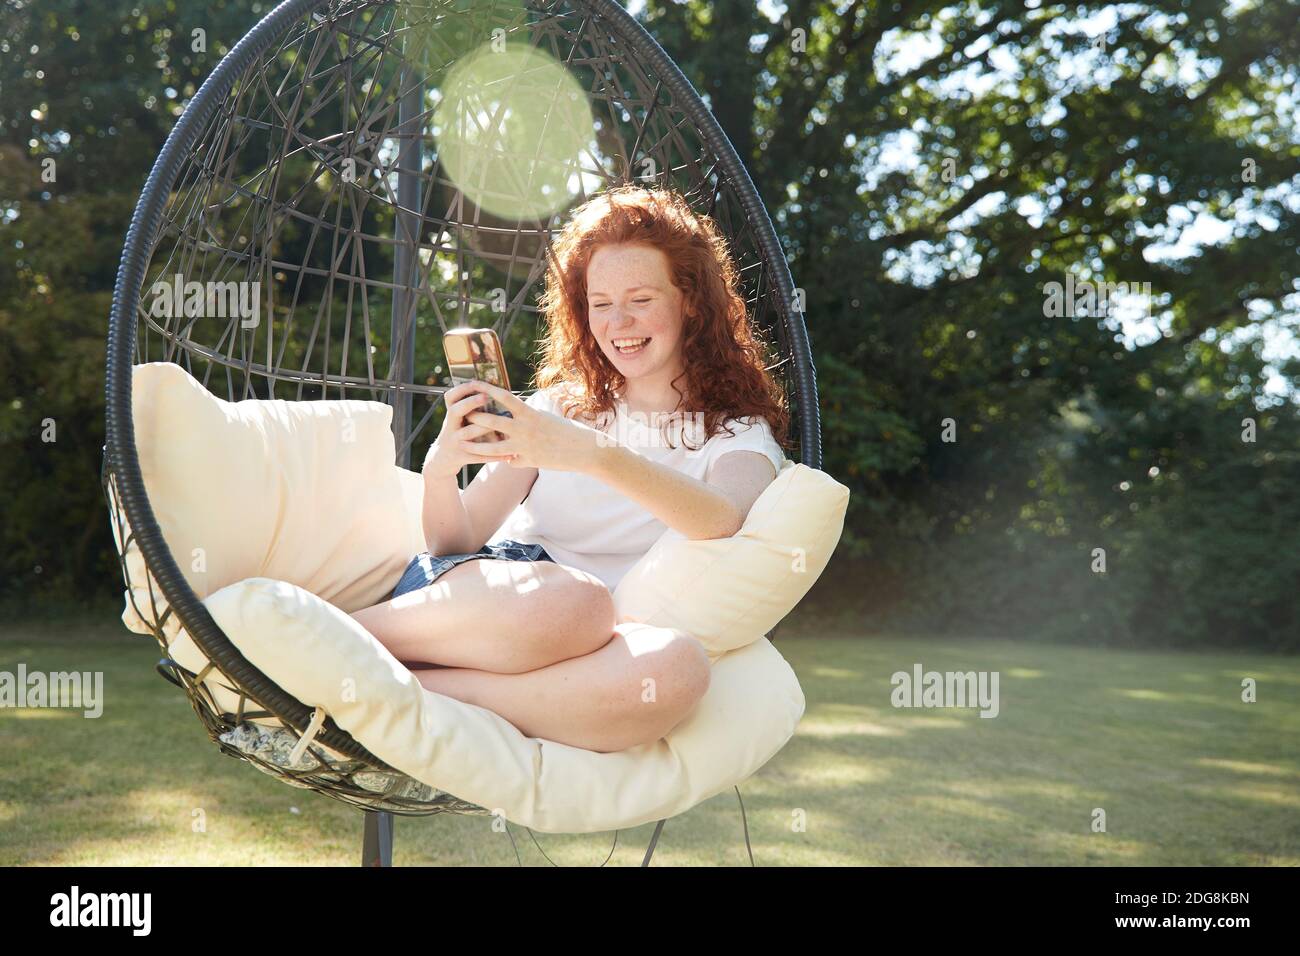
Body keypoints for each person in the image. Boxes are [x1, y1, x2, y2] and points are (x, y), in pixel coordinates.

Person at [350, 184, 791, 752]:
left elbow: (724, 519)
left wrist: (594, 454)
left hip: (584, 648)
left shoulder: (735, 433)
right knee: (578, 603)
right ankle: (334, 633)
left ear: (690, 301)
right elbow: (454, 542)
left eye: (640, 299)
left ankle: (423, 688)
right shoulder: (558, 408)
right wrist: (440, 472)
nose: (619, 322)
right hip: (488, 602)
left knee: (678, 668)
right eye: (600, 303)